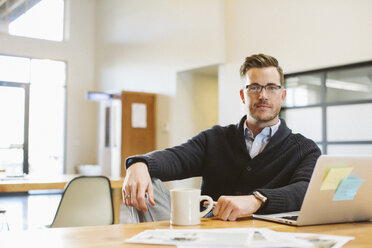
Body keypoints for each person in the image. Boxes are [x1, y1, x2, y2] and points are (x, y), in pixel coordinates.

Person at [123, 53, 321, 221]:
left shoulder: (304, 149)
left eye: (271, 87)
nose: (263, 95)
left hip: (268, 237)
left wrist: (256, 200)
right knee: (148, 179)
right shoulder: (214, 139)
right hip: (208, 233)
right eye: (254, 87)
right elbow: (176, 158)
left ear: (282, 95)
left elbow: (306, 190)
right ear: (243, 96)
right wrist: (139, 164)